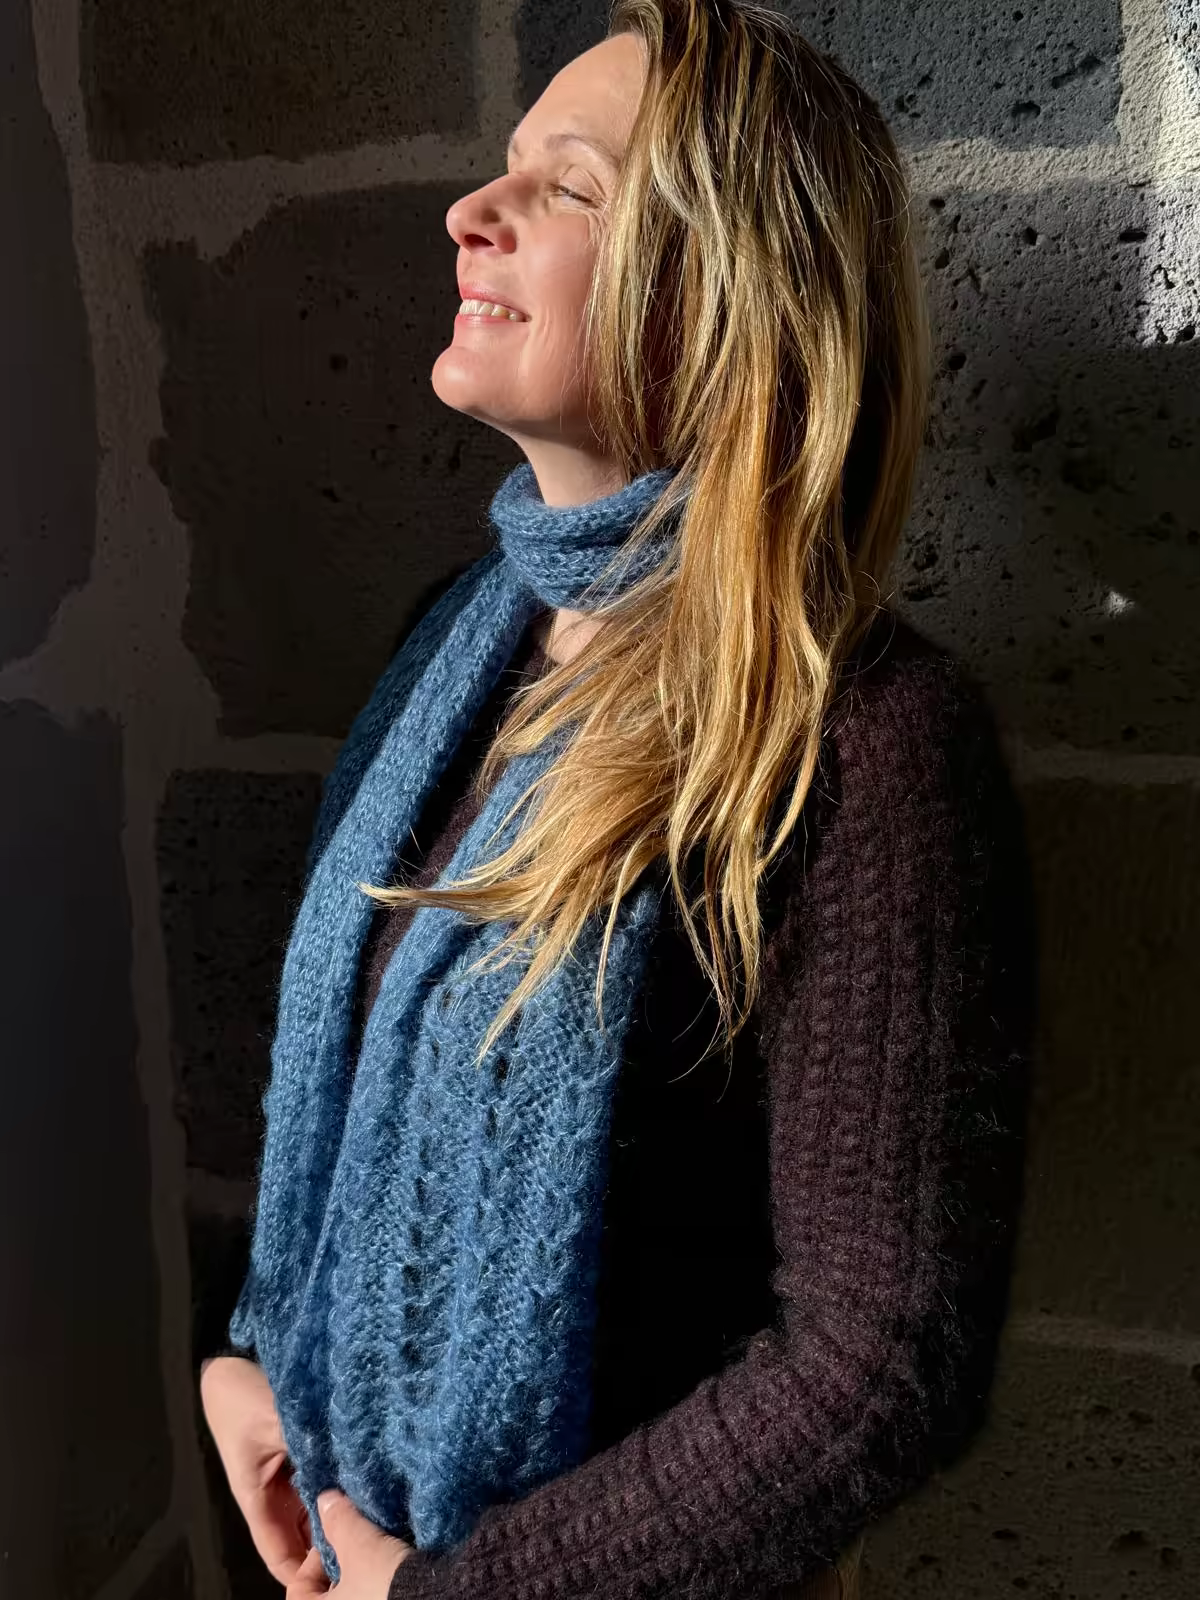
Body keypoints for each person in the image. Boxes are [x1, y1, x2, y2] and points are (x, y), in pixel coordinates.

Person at [199, 3, 1039, 1598]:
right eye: (504, 167)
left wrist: (457, 1595)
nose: (473, 210)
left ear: (728, 290)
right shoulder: (452, 649)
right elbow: (342, 1096)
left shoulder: (867, 742)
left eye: (570, 186)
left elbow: (883, 1363)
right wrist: (242, 1368)